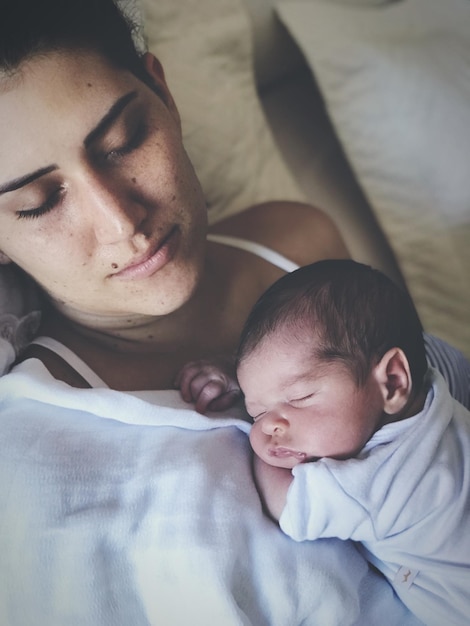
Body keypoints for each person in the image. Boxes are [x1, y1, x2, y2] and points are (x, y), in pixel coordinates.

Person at [0, 1, 433, 624]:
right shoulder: (35, 458)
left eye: (124, 142)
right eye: (40, 203)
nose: (122, 223)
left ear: (165, 93)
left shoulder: (297, 242)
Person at [177, 259, 470, 626]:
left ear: (393, 381)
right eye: (255, 413)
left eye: (299, 398)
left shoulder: (378, 485)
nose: (270, 428)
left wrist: (258, 445)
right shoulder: (435, 382)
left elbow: (284, 505)